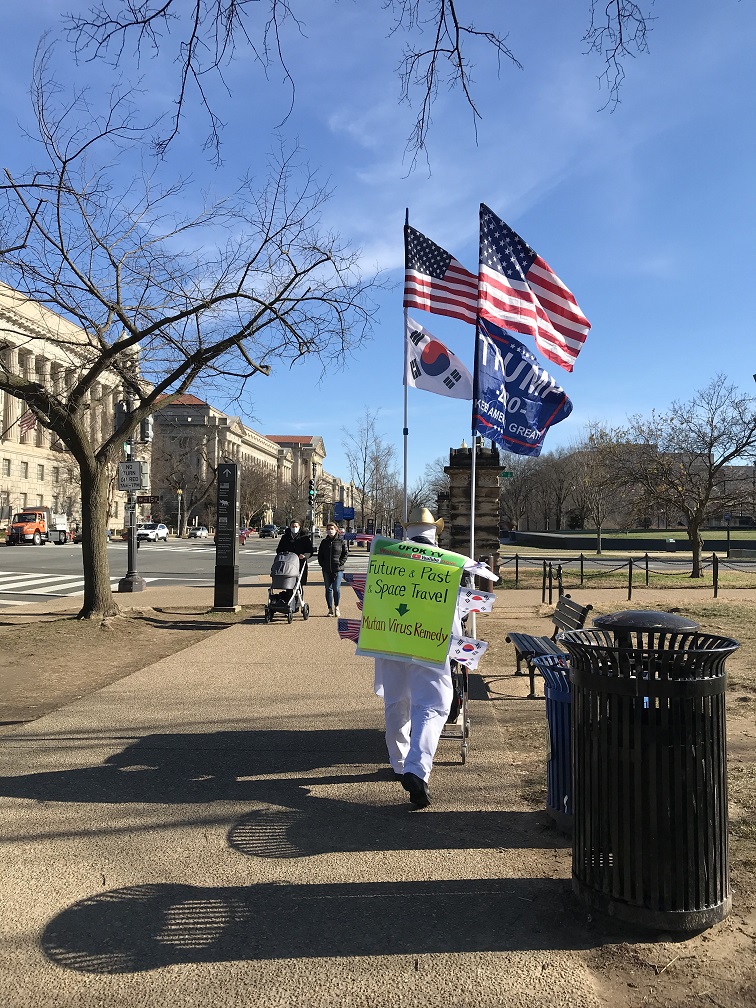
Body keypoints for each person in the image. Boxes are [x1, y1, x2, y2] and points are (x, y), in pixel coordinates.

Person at [373, 506, 497, 809]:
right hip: (431, 641)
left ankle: (399, 763)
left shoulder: (386, 557)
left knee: (396, 702)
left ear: (408, 531)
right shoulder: (452, 564)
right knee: (433, 704)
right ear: (434, 533)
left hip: (389, 636)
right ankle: (417, 768)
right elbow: (470, 602)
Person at [317, 521, 348, 615]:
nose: (330, 531)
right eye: (328, 529)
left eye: (332, 529)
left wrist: (340, 563)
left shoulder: (341, 541)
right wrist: (322, 564)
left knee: (336, 587)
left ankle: (337, 606)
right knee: (328, 588)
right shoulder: (324, 542)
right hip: (326, 569)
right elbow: (320, 555)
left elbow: (345, 554)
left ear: (336, 530)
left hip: (338, 568)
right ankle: (330, 609)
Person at [276, 519, 314, 592]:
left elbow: (310, 551)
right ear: (290, 527)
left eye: (296, 526)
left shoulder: (304, 538)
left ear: (299, 527)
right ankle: (289, 599)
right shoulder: (285, 537)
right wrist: (284, 554)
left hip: (300, 563)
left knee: (299, 584)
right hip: (288, 564)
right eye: (293, 526)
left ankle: (299, 600)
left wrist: (305, 556)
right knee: (288, 583)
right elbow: (279, 549)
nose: (294, 528)